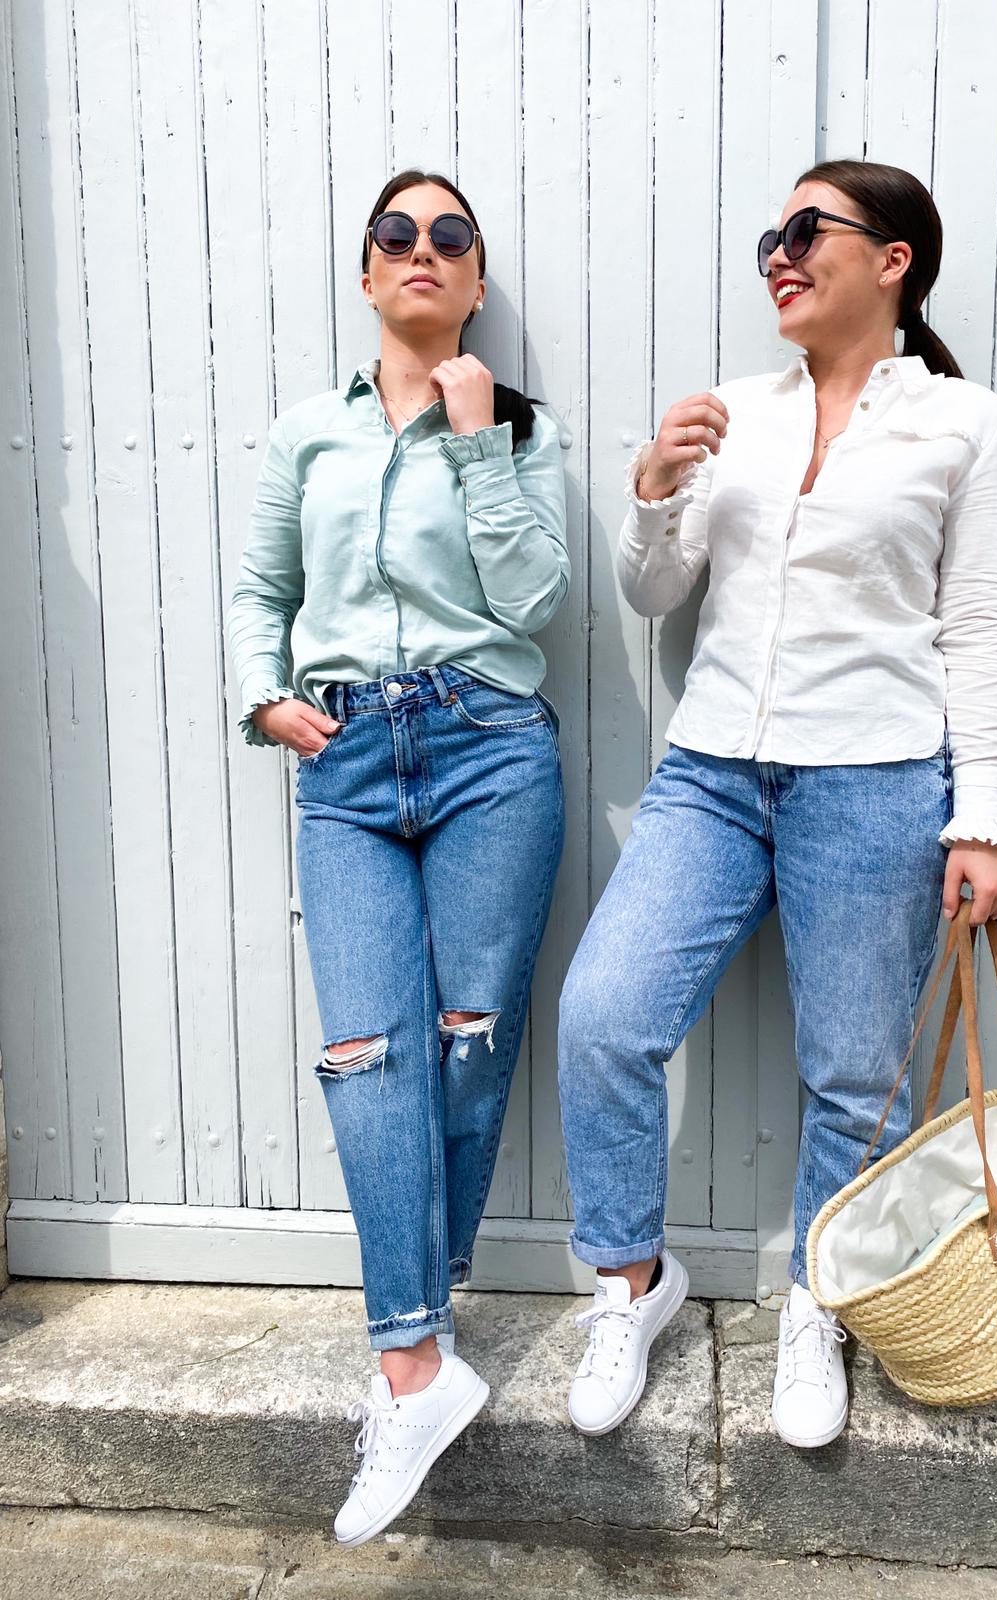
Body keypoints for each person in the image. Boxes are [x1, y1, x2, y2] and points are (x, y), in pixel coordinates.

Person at [557, 158, 997, 1450]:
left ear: (892, 260)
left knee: (856, 1078)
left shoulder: (967, 424)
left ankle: (823, 1301)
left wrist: (980, 817)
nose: (781, 252)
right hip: (711, 773)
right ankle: (631, 1284)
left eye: (809, 230)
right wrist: (654, 491)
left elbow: (978, 627)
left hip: (875, 778)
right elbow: (658, 594)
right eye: (772, 233)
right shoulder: (738, 414)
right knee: (604, 1015)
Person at [227, 169, 568, 1545]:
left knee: (467, 1043)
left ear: (475, 282)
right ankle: (415, 1364)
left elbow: (536, 601)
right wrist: (264, 697)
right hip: (349, 764)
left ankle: (420, 1339)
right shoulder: (307, 432)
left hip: (491, 747)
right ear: (367, 274)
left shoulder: (520, 427)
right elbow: (263, 589)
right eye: (396, 235)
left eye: (450, 237)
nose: (422, 250)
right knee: (369, 1052)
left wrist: (479, 446)